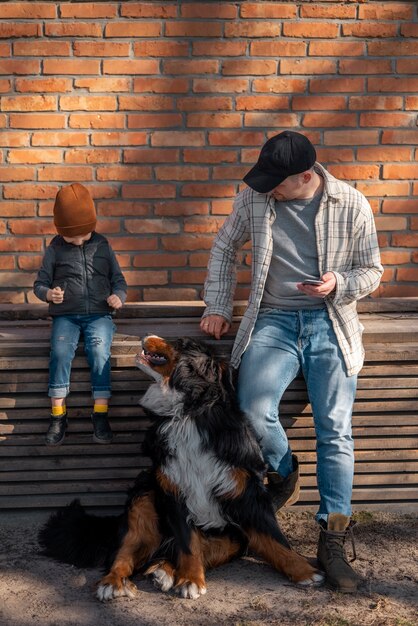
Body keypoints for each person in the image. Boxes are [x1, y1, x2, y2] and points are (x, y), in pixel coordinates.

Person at [200, 130, 383, 592]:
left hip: (330, 322)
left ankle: (333, 536)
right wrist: (218, 306)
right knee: (253, 408)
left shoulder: (352, 204)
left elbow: (372, 270)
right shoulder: (254, 200)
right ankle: (283, 472)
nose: (267, 189)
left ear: (306, 176)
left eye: (276, 182)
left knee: (335, 429)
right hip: (273, 320)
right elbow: (225, 248)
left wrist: (338, 283)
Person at [34, 183, 127, 446]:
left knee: (99, 351)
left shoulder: (103, 246)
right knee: (61, 351)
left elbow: (119, 281)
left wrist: (118, 297)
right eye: (70, 237)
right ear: (59, 230)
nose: (77, 241)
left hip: (99, 315)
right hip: (66, 315)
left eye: (83, 235)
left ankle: (100, 414)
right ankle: (58, 415)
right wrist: (49, 294)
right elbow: (39, 284)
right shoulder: (55, 249)